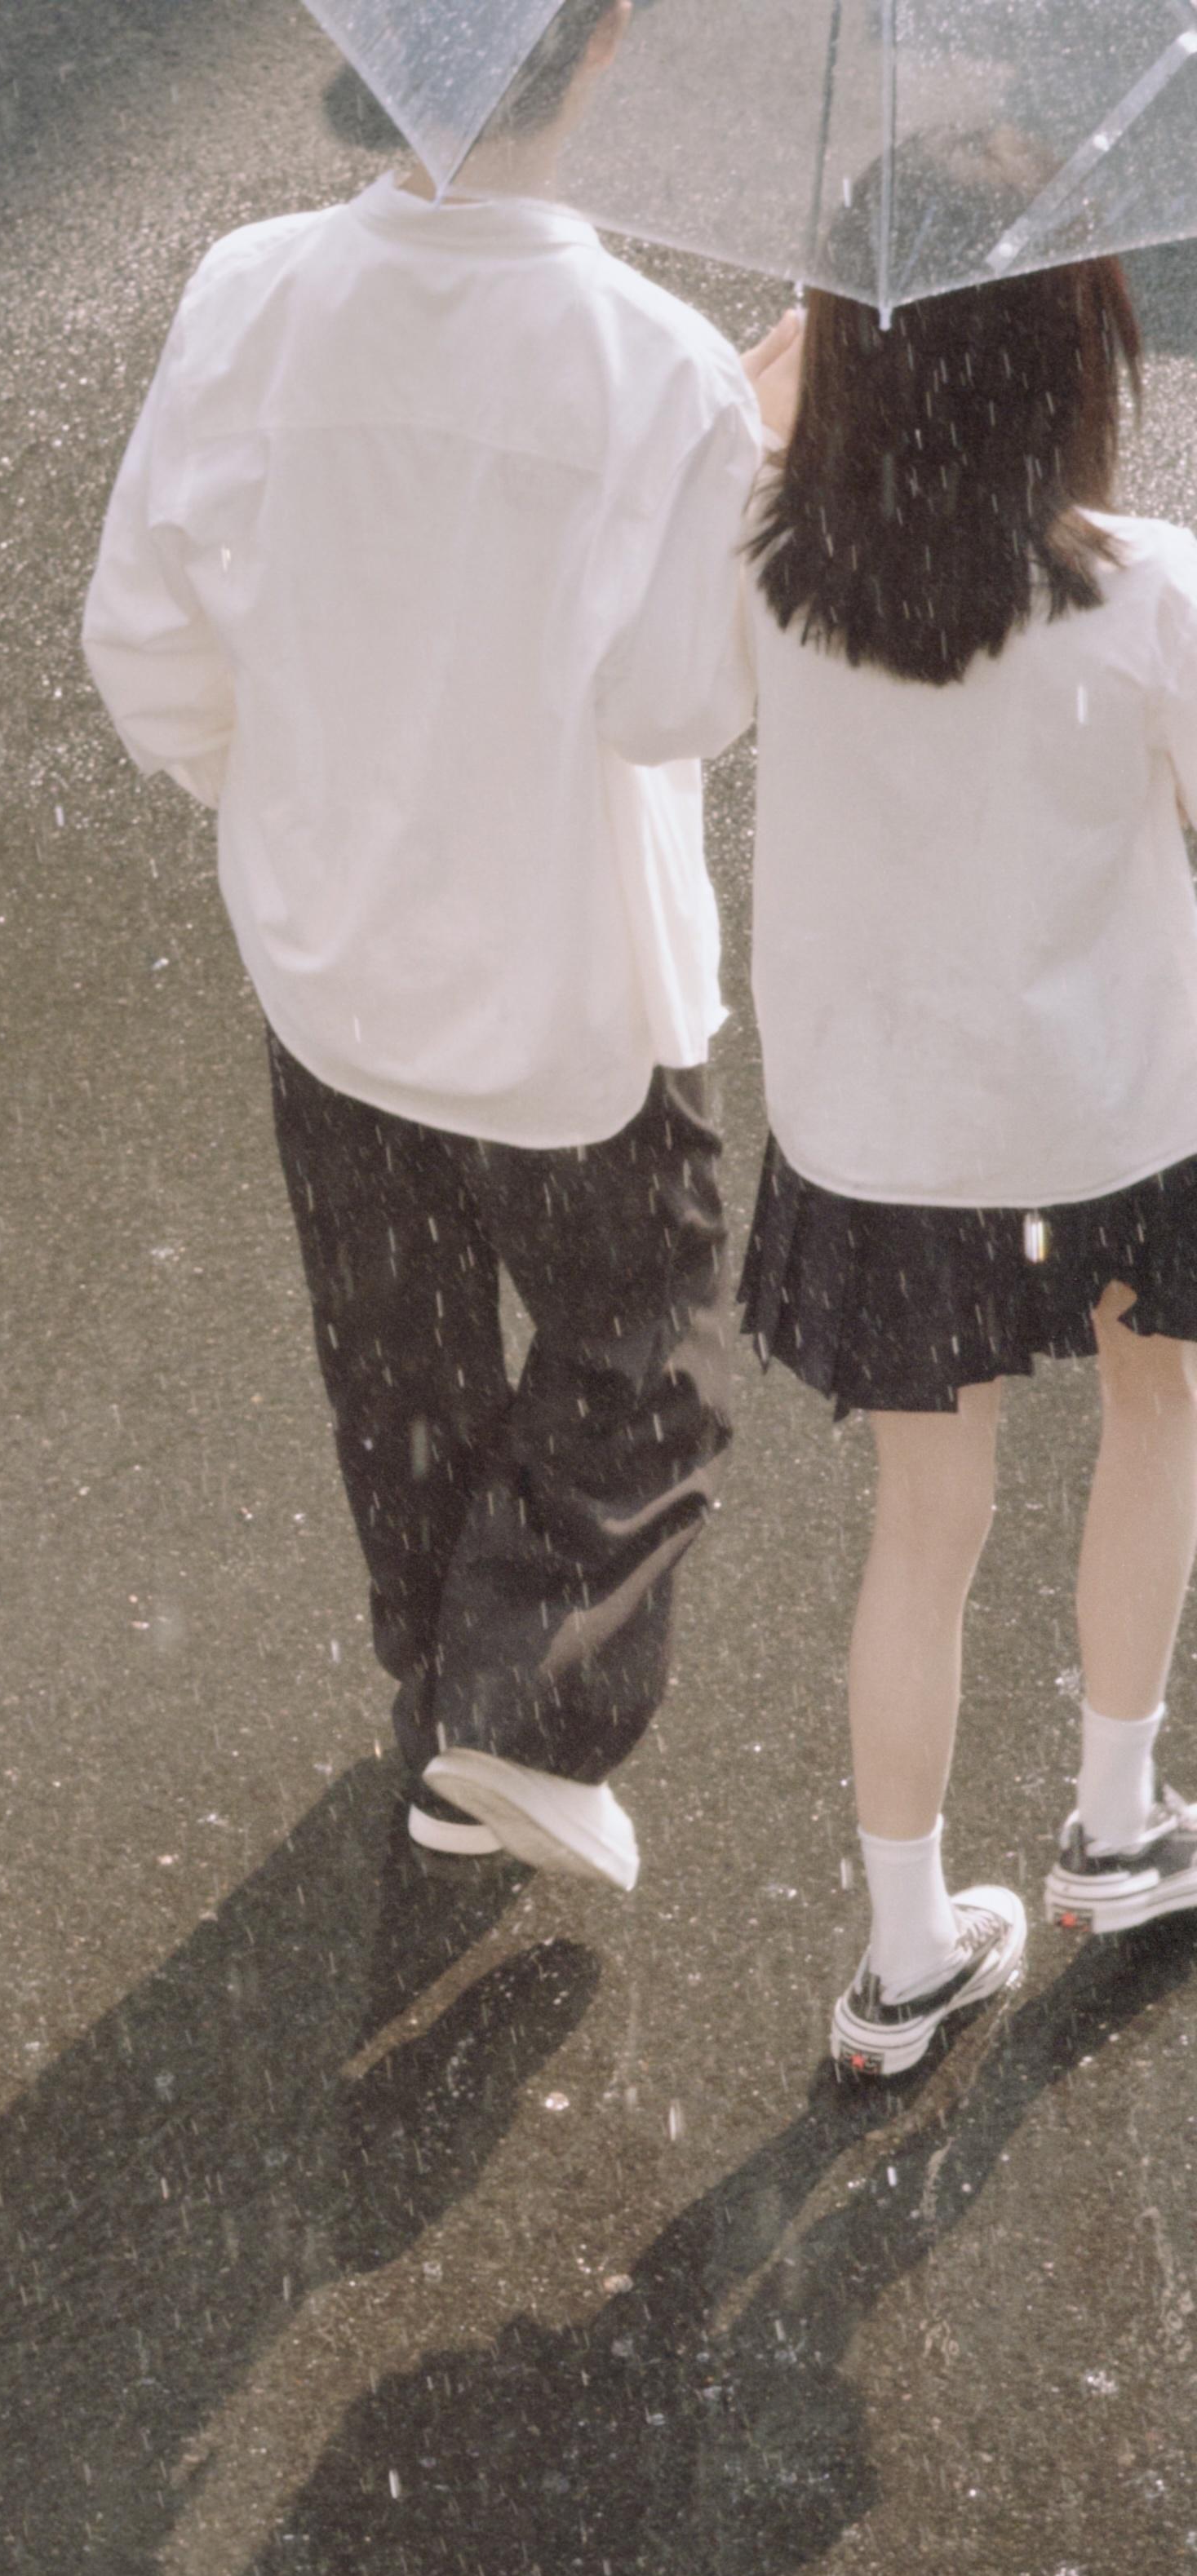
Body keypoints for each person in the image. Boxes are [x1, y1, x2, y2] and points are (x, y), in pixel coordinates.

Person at [82, 0, 798, 1891]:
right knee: (642, 1348)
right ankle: (521, 1716)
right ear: (607, 45)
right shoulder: (657, 368)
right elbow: (680, 698)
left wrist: (285, 798)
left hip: (329, 962)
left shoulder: (252, 295)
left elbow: (144, 634)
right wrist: (750, 470)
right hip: (564, 987)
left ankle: (440, 1680)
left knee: (394, 1348)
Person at [740, 150, 1197, 2079]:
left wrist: (758, 399)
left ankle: (907, 1949)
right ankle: (1118, 1817)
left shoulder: (777, 571)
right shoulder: (1145, 592)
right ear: (1075, 361)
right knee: (1158, 1415)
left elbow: (655, 691)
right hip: (1116, 1107)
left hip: (886, 1130)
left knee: (924, 1527)